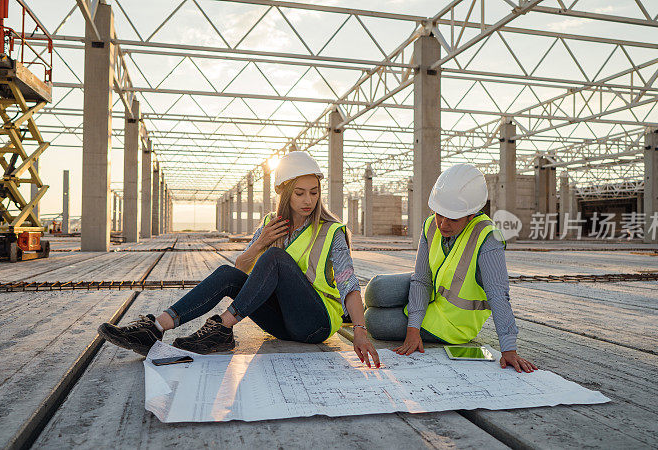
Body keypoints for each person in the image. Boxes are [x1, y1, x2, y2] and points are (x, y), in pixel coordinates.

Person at [98, 152, 381, 368]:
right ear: (284, 192)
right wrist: (260, 242)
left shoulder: (331, 229)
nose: (308, 200)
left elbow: (349, 284)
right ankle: (155, 328)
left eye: (314, 192)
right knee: (228, 273)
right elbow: (241, 270)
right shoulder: (271, 224)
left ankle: (222, 327)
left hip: (315, 323)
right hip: (281, 323)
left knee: (275, 257)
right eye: (299, 193)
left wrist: (359, 330)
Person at [364, 163, 537, 373]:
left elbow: (498, 294)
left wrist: (509, 349)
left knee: (373, 321)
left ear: (472, 215)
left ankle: (368, 314)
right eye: (439, 214)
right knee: (376, 289)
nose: (443, 224)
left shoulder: (488, 238)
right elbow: (422, 279)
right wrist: (413, 328)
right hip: (433, 290)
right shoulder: (430, 225)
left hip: (452, 323)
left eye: (453, 218)